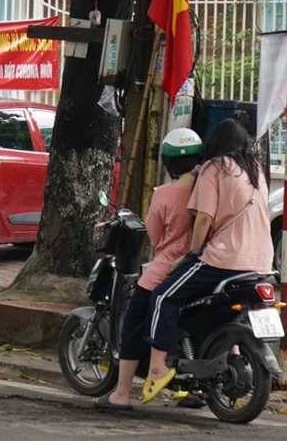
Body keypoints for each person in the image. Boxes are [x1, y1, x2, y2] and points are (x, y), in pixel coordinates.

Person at [139, 118, 273, 404]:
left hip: (224, 258)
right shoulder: (255, 168)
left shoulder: (215, 168)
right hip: (261, 261)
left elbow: (203, 217)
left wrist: (193, 253)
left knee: (164, 297)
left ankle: (157, 366)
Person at [94, 128, 203, 412]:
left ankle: (121, 393)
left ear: (168, 164)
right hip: (204, 268)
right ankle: (192, 391)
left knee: (133, 325)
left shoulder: (164, 193)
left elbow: (154, 235)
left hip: (166, 269)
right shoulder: (209, 190)